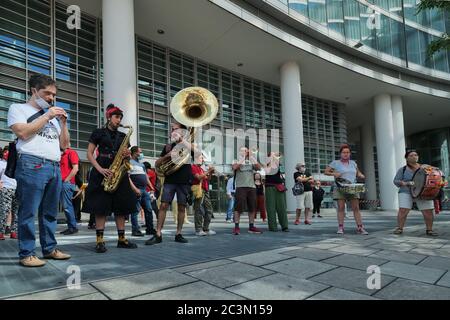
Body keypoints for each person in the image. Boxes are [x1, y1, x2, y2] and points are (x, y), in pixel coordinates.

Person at [8, 73, 71, 267]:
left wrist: (63, 123)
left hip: (53, 165)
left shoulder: (52, 119)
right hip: (31, 163)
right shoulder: (18, 108)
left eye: (53, 95)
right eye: (47, 93)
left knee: (50, 212)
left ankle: (49, 249)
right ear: (34, 90)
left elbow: (64, 146)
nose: (51, 98)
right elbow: (23, 132)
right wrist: (48, 115)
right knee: (28, 211)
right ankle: (26, 253)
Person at [83, 104, 138, 253]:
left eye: (120, 117)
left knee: (122, 207)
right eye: (116, 117)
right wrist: (99, 169)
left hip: (119, 171)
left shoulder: (123, 136)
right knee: (100, 208)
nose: (119, 120)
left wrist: (127, 156)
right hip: (102, 169)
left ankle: (122, 239)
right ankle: (100, 241)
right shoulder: (98, 132)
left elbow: (126, 158)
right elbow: (89, 153)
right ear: (109, 117)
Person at [145, 121, 194, 245]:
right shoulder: (168, 146)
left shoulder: (188, 144)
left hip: (184, 180)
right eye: (172, 129)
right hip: (170, 179)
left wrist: (182, 140)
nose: (172, 131)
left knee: (182, 207)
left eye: (175, 129)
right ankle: (158, 234)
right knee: (163, 205)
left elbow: (197, 152)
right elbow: (157, 163)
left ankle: (178, 234)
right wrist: (168, 156)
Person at [324, 144, 368, 235]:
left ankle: (360, 227)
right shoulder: (335, 163)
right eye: (344, 152)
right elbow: (326, 172)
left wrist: (361, 175)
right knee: (341, 208)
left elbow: (358, 172)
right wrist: (334, 174)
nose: (346, 154)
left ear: (350, 154)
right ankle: (340, 228)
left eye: (347, 152)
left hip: (352, 187)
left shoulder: (353, 163)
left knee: (356, 208)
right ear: (340, 153)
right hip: (340, 187)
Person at [393, 150, 438, 236]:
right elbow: (395, 181)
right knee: (403, 210)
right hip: (406, 191)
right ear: (406, 158)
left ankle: (429, 230)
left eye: (416, 155)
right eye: (411, 155)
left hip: (423, 192)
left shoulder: (425, 167)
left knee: (428, 211)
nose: (414, 157)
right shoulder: (403, 169)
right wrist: (405, 183)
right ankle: (399, 228)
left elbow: (435, 175)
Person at [231, 147, 263, 235]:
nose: (245, 152)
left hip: (251, 187)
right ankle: (236, 227)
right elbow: (235, 167)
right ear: (239, 152)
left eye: (246, 150)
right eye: (243, 150)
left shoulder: (250, 161)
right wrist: (243, 158)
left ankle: (251, 226)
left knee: (252, 207)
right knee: (238, 207)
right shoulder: (236, 160)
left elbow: (259, 168)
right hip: (241, 187)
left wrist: (252, 157)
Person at [128, 146, 156, 237]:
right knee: (135, 211)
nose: (141, 154)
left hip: (144, 190)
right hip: (136, 190)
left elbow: (146, 177)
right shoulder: (129, 163)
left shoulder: (142, 165)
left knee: (148, 209)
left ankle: (150, 229)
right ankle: (135, 230)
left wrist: (151, 188)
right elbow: (127, 178)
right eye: (140, 152)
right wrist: (134, 189)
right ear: (134, 153)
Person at [191, 154, 215, 236]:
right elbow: (198, 178)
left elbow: (207, 179)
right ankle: (198, 229)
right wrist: (208, 171)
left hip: (205, 190)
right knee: (199, 210)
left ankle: (206, 228)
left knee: (209, 210)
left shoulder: (201, 168)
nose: (203, 160)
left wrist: (210, 173)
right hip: (199, 190)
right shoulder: (193, 167)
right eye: (201, 158)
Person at [264, 152, 288, 232]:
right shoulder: (266, 163)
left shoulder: (278, 163)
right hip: (269, 187)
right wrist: (271, 159)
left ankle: (285, 226)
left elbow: (281, 169)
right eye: (272, 155)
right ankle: (273, 227)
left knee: (282, 207)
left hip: (279, 186)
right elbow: (267, 171)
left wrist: (275, 159)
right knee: (271, 208)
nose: (274, 156)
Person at [59, 145, 79, 235]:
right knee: (66, 206)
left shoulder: (71, 152)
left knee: (67, 206)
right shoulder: (61, 155)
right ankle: (71, 227)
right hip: (62, 183)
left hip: (66, 183)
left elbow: (75, 168)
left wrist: (66, 180)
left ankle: (73, 227)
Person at [0, 149, 18, 240]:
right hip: (6, 189)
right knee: (4, 211)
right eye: (5, 152)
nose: (6, 154)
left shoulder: (17, 163)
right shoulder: (1, 163)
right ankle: (1, 232)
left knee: (16, 211)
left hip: (17, 189)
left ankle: (14, 232)